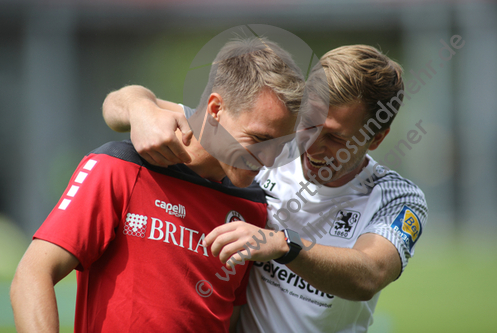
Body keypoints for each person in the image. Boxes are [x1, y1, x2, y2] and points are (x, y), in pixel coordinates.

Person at [102, 44, 428, 332]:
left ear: (376, 138)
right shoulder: (264, 147)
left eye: (335, 137)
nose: (312, 144)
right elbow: (119, 101)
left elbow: (369, 274)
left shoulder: (396, 197)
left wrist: (283, 245)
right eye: (308, 124)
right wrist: (141, 111)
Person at [10, 37, 306, 333]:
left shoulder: (253, 208)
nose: (269, 159)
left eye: (280, 144)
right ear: (216, 110)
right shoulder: (120, 166)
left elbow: (232, 319)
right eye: (259, 139)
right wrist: (138, 105)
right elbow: (32, 276)